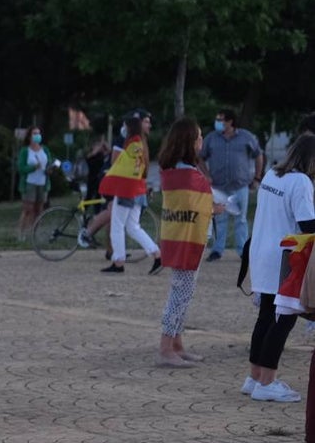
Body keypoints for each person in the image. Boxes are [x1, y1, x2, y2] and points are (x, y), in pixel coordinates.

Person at [242, 133, 315, 402]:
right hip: (284, 258)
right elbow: (308, 225)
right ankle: (268, 381)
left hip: (261, 252)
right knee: (283, 319)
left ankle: (254, 377)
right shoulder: (301, 182)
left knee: (265, 316)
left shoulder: (272, 175)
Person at [154, 118, 214, 367]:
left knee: (183, 292)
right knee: (179, 294)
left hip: (179, 236)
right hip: (187, 239)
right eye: (198, 136)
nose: (201, 140)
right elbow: (198, 203)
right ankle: (166, 346)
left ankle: (176, 344)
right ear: (189, 141)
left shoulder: (173, 170)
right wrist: (215, 207)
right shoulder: (187, 173)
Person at [98, 114, 161, 274]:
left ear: (130, 128)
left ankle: (118, 262)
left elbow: (121, 169)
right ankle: (156, 254)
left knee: (117, 226)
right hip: (138, 189)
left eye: (125, 126)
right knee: (133, 227)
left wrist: (109, 183)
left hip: (126, 190)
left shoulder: (132, 146)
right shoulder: (141, 144)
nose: (123, 129)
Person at [200, 108, 264, 262]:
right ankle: (217, 250)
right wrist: (206, 174)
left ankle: (243, 251)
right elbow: (200, 157)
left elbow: (258, 155)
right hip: (218, 186)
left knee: (240, 219)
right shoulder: (211, 138)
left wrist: (257, 177)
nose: (218, 123)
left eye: (221, 119)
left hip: (240, 185)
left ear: (230, 121)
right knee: (219, 218)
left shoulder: (246, 137)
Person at [16, 126, 51, 240]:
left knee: (39, 209)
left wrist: (50, 169)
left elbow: (48, 164)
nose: (37, 136)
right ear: (30, 136)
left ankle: (35, 233)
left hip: (42, 183)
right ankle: (21, 233)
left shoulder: (44, 149)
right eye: (35, 134)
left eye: (39, 133)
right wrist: (33, 167)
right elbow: (21, 168)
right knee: (28, 209)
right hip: (29, 183)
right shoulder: (25, 151)